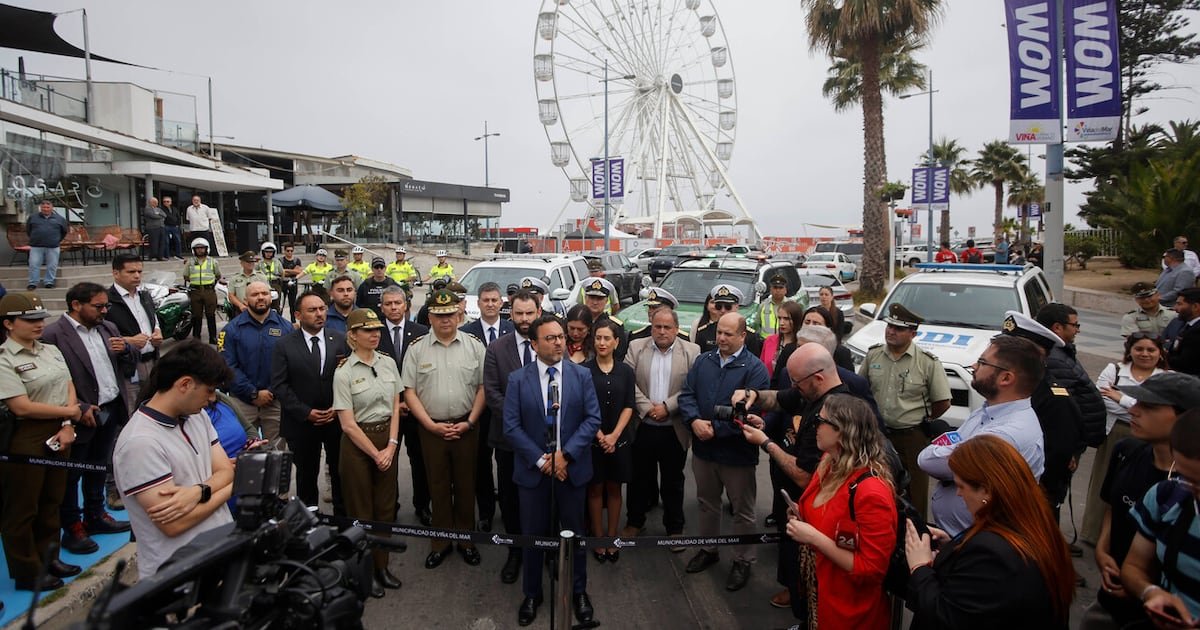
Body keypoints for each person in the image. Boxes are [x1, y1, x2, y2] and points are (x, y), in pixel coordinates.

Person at [736, 341, 883, 614]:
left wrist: (766, 442)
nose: (813, 427)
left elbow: (867, 565)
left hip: (840, 591)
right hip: (807, 522)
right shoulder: (813, 396)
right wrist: (752, 395)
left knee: (811, 599)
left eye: (820, 423)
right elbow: (780, 398)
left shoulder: (869, 488)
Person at [904, 435, 1075, 629]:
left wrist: (919, 567)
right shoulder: (1034, 525)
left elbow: (947, 617)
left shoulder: (992, 553)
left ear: (986, 491)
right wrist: (955, 546)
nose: (959, 494)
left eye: (961, 486)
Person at [503, 314, 602, 626]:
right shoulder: (518, 380)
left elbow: (592, 420)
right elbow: (511, 427)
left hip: (571, 472)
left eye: (560, 336)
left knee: (574, 535)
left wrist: (566, 456)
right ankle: (532, 592)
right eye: (550, 338)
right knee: (533, 535)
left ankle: (578, 591)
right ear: (534, 344)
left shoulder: (581, 375)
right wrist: (543, 461)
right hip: (535, 474)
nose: (559, 342)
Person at [1079, 373, 1200, 629]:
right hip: (1111, 597)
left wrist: (1146, 588)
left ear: (1185, 417)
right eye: (1135, 402)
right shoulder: (1126, 451)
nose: (1133, 410)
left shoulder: (1181, 487)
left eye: (1149, 406)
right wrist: (1102, 549)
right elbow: (1111, 508)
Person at [112, 339, 236, 579]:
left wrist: (198, 492)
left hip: (215, 556)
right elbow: (174, 524)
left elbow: (226, 471)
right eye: (209, 390)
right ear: (185, 384)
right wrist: (232, 487)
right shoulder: (140, 443)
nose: (212, 399)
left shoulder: (197, 417)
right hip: (175, 575)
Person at [784, 394, 898, 630]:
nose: (815, 425)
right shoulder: (829, 461)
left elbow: (871, 569)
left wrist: (812, 537)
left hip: (850, 612)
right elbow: (820, 512)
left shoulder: (872, 493)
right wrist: (800, 515)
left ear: (842, 431)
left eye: (821, 420)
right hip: (822, 598)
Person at [918, 335, 1046, 536]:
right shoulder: (986, 411)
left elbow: (929, 461)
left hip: (978, 543)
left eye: (983, 362)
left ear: (1006, 378)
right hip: (959, 536)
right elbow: (953, 444)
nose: (974, 366)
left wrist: (936, 450)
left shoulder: (1007, 434)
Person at [678, 311, 770, 592]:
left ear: (743, 336)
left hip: (736, 454)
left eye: (728, 334)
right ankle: (709, 549)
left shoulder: (754, 370)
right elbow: (687, 394)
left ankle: (743, 559)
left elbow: (753, 412)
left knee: (742, 510)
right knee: (707, 503)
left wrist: (717, 430)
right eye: (719, 332)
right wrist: (694, 421)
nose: (721, 338)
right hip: (704, 451)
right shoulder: (703, 361)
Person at [42, 282, 135, 555]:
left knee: (98, 466)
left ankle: (96, 515)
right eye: (98, 306)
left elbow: (125, 365)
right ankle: (72, 526)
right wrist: (78, 407)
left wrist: (126, 350)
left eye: (106, 305)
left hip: (108, 408)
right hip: (79, 416)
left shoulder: (108, 328)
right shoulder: (53, 335)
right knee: (71, 476)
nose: (105, 311)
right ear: (76, 305)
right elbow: (53, 383)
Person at [0, 292, 84, 591]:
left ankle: (49, 557)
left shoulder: (50, 350)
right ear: (9, 324)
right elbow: (20, 406)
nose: (39, 324)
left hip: (60, 430)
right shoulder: (4, 359)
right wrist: (69, 413)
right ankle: (27, 570)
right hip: (26, 435)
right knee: (23, 507)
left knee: (52, 500)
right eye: (30, 319)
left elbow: (68, 385)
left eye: (40, 318)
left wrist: (66, 423)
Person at [402, 289, 487, 570]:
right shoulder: (416, 349)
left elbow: (482, 388)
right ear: (430, 318)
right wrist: (429, 425)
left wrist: (470, 421)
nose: (445, 320)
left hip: (466, 426)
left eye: (450, 314)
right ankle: (440, 542)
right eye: (439, 316)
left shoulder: (475, 346)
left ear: (459, 315)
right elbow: (410, 392)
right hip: (430, 429)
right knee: (436, 486)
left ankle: (465, 540)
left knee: (466, 485)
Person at [333, 308, 403, 597]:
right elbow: (348, 425)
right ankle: (365, 572)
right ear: (353, 335)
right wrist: (376, 454)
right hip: (358, 446)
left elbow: (396, 407)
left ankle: (382, 566)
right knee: (361, 511)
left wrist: (391, 445)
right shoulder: (344, 372)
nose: (375, 334)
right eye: (367, 330)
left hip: (386, 439)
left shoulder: (387, 364)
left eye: (377, 330)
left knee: (385, 509)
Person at [860, 303, 951, 518]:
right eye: (889, 326)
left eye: (899, 328)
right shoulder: (873, 356)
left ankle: (915, 537)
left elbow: (942, 402)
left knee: (915, 495)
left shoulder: (927, 363)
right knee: (876, 487)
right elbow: (861, 390)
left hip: (912, 437)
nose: (891, 331)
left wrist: (923, 419)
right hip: (878, 435)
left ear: (913, 333)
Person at [1081, 333, 1169, 546]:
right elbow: (1103, 400)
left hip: (1149, 439)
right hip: (1115, 433)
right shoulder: (1115, 370)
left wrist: (1122, 398)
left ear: (1160, 353)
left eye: (1151, 350)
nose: (1145, 354)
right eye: (1139, 349)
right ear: (1130, 350)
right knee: (1106, 483)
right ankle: (1094, 533)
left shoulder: (1166, 378)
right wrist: (1142, 409)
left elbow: (1161, 409)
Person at [622, 307, 701, 543]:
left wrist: (667, 406)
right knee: (638, 479)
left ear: (677, 329)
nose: (662, 331)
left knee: (673, 481)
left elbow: (692, 387)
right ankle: (635, 522)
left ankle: (675, 527)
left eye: (668, 327)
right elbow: (628, 383)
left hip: (673, 428)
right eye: (658, 326)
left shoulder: (692, 351)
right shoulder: (636, 347)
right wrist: (648, 408)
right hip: (643, 426)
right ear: (651, 327)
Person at [1120, 405, 1200, 626]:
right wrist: (1151, 591)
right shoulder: (1166, 496)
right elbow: (1134, 567)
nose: (1192, 488)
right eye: (1187, 477)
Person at [271, 290, 349, 516]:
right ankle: (309, 521)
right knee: (306, 476)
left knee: (339, 473)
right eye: (312, 310)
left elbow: (347, 379)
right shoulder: (284, 345)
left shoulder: (340, 340)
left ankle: (341, 519)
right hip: (302, 424)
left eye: (322, 309)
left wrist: (338, 407)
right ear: (298, 315)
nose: (319, 314)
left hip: (336, 421)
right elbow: (280, 385)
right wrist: (306, 412)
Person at [484, 290, 542, 583]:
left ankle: (545, 549)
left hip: (545, 440)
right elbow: (492, 392)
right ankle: (515, 549)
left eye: (528, 314)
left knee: (542, 496)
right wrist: (520, 423)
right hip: (508, 441)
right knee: (510, 497)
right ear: (511, 314)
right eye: (518, 314)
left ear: (538, 312)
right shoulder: (496, 348)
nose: (523, 319)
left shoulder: (552, 343)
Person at [375, 286, 432, 525]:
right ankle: (390, 505)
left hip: (417, 409)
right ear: (381, 307)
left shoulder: (422, 332)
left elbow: (428, 371)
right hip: (387, 411)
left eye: (397, 303)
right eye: (388, 304)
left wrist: (411, 400)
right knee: (388, 462)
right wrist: (395, 403)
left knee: (420, 460)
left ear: (406, 305)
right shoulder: (374, 332)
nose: (393, 308)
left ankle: (422, 505)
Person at [460, 282, 513, 529]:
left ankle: (508, 509)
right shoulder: (467, 332)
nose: (490, 304)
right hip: (478, 411)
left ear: (501, 303)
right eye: (485, 300)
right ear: (478, 303)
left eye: (494, 300)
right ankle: (486, 512)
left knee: (505, 465)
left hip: (505, 411)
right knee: (480, 464)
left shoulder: (513, 331)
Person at [584, 319, 636, 563]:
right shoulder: (584, 370)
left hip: (619, 441)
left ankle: (613, 537)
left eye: (607, 338)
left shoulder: (626, 371)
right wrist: (600, 435)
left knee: (615, 489)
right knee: (594, 489)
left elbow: (629, 405)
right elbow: (582, 408)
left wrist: (614, 435)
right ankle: (598, 537)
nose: (602, 343)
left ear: (616, 342)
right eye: (598, 338)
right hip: (593, 441)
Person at [220, 281, 289, 447]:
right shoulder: (230, 330)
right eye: (255, 294)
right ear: (245, 299)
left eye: (264, 294)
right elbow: (227, 365)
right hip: (242, 402)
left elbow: (289, 364)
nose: (260, 298)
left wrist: (271, 391)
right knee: (243, 450)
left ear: (270, 297)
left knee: (277, 452)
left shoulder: (285, 328)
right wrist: (252, 393)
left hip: (275, 402)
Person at [1036, 302, 1107, 448]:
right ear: (1057, 327)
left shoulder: (1060, 352)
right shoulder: (1055, 359)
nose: (1077, 330)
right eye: (1075, 325)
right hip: (1065, 441)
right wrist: (1073, 447)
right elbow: (1064, 409)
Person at [107, 254, 164, 417]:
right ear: (116, 273)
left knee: (155, 404)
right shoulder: (108, 301)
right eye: (131, 272)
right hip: (128, 365)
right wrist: (128, 341)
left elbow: (153, 318)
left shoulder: (144, 295)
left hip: (152, 359)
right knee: (133, 410)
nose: (137, 276)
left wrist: (158, 331)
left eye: (139, 271)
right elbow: (100, 335)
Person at [183, 237, 221, 344]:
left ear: (206, 249)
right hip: (195, 291)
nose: (200, 250)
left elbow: (218, 275)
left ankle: (213, 337)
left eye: (202, 248)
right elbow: (186, 276)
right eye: (197, 248)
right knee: (196, 315)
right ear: (193, 250)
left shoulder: (213, 262)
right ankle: (196, 337)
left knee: (210, 315)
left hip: (209, 291)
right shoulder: (190, 263)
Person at [26, 200, 69, 290]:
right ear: (40, 208)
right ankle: (33, 283)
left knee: (52, 265)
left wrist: (56, 240)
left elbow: (64, 231)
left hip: (53, 246)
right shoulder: (33, 217)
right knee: (33, 265)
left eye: (47, 207)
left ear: (52, 208)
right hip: (36, 246)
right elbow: (28, 230)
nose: (45, 209)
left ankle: (49, 282)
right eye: (43, 207)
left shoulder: (60, 219)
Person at [760, 301, 805, 382]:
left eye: (786, 319)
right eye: (779, 318)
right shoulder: (770, 341)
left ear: (796, 319)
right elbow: (761, 368)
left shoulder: (802, 344)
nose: (781, 323)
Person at [802, 305, 854, 371]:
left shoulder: (840, 353)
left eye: (816, 323)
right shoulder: (793, 348)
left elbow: (850, 379)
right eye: (807, 322)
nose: (810, 326)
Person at [1167, 287, 1200, 376]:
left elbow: (1185, 363)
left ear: (1195, 307)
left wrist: (1161, 355)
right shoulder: (1188, 325)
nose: (1175, 308)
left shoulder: (1196, 332)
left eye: (1179, 304)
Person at [756, 275, 789, 339]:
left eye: (781, 288)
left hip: (785, 342)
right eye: (775, 287)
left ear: (785, 290)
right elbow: (757, 325)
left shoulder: (791, 306)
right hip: (766, 342)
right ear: (770, 290)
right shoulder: (763, 305)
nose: (778, 290)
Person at [256, 242, 284, 313]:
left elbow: (282, 272)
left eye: (271, 252)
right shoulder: (259, 263)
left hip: (275, 283)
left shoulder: (277, 262)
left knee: (276, 303)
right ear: (263, 252)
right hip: (263, 285)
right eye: (267, 252)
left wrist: (280, 281)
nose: (269, 254)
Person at [280, 243, 304, 320]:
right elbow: (281, 272)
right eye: (288, 251)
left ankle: (293, 321)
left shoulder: (297, 260)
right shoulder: (280, 260)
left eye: (291, 251)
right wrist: (293, 271)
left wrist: (286, 270)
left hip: (293, 282)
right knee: (281, 304)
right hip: (283, 283)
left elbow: (298, 272)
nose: (290, 252)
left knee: (293, 304)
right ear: (284, 251)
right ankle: (279, 320)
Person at [142, 196, 167, 261]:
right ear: (150, 202)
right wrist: (160, 216)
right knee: (154, 242)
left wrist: (158, 214)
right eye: (155, 202)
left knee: (162, 242)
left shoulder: (158, 209)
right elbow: (153, 216)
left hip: (161, 227)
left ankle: (160, 256)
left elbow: (164, 215)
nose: (156, 203)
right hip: (153, 228)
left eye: (157, 202)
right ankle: (153, 256)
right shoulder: (147, 208)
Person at [161, 195, 183, 260]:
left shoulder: (174, 209)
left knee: (178, 240)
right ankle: (167, 255)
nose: (166, 203)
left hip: (174, 227)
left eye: (167, 201)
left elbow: (178, 217)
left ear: (170, 202)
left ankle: (178, 255)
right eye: (164, 201)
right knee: (166, 241)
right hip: (166, 226)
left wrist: (178, 224)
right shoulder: (161, 209)